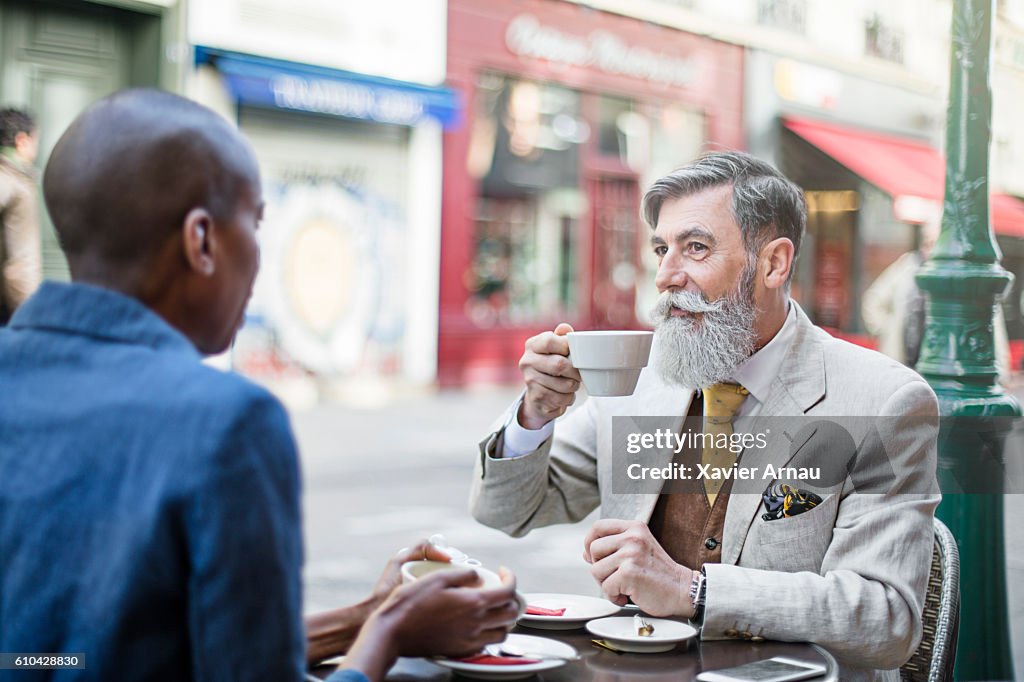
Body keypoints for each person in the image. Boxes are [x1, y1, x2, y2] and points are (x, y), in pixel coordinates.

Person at [0, 89, 520, 682]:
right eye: (255, 223)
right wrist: (388, 635)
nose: (260, 258)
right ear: (201, 241)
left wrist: (361, 619)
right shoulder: (225, 421)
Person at [469, 151, 940, 681]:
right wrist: (536, 413)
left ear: (773, 263)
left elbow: (885, 620)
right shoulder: (640, 378)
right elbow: (506, 512)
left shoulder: (884, 399)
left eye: (696, 248)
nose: (667, 276)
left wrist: (694, 591)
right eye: (661, 250)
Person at [861, 214, 1012, 378]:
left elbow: (992, 321)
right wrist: (887, 330)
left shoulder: (965, 272)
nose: (932, 251)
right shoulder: (908, 265)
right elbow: (874, 300)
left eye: (938, 244)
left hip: (949, 370)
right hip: (905, 365)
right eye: (928, 244)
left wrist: (1002, 370)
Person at [0, 107, 42, 324]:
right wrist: (30, 313)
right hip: (14, 307)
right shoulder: (12, 180)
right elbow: (21, 263)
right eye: (35, 140)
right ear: (22, 140)